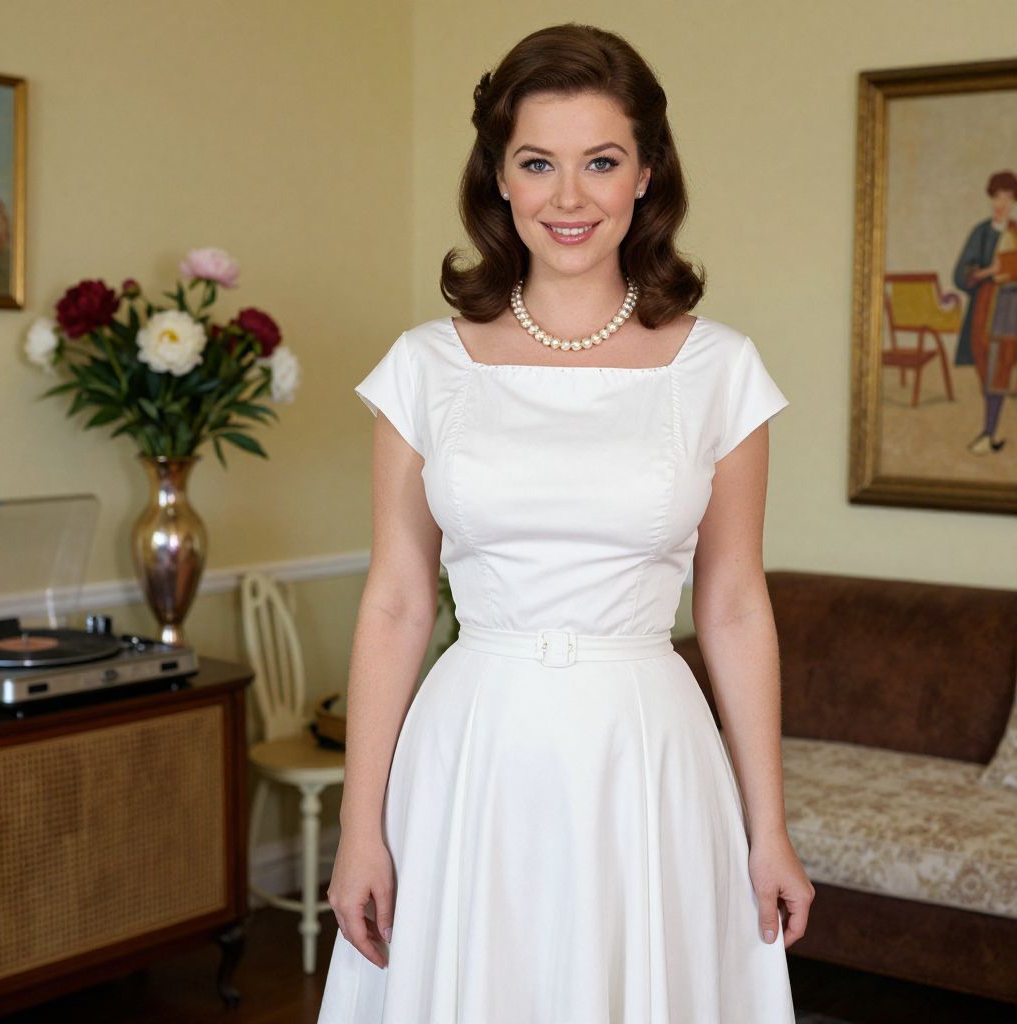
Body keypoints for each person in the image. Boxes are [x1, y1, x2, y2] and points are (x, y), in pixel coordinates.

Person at [319, 22, 812, 1023]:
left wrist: (769, 828)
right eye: (537, 163)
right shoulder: (425, 366)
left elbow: (732, 606)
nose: (569, 197)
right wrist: (358, 827)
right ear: (499, 178)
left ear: (647, 174)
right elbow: (398, 604)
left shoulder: (718, 368)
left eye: (601, 161)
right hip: (470, 749)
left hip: (645, 753)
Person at [952, 170, 1017, 455]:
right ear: (991, 199)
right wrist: (989, 272)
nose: (1001, 204)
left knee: (1001, 370)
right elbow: (960, 274)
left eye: (1007, 198)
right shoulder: (981, 232)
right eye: (997, 198)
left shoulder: (1016, 231)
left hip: (1013, 310)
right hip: (985, 311)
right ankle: (988, 433)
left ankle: (989, 433)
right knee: (987, 370)